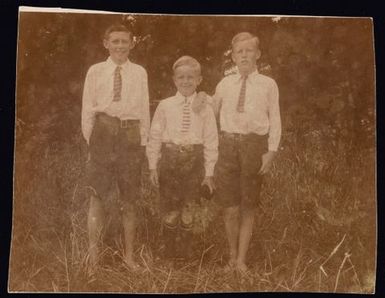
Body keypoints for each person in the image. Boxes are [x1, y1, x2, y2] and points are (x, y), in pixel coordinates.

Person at [201, 32, 281, 273]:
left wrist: (271, 151)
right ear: (233, 57)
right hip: (227, 147)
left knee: (248, 205)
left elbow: (275, 119)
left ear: (257, 54)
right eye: (239, 52)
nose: (244, 55)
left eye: (249, 51)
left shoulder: (268, 84)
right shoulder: (225, 84)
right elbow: (209, 114)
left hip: (254, 147)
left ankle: (241, 261)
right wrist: (200, 101)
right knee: (230, 206)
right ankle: (231, 256)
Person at [81, 24, 150, 272]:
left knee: (129, 200)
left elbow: (144, 110)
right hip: (102, 134)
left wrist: (143, 143)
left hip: (130, 137)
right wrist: (93, 142)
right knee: (96, 197)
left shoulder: (140, 72)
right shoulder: (96, 71)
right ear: (106, 43)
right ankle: (94, 260)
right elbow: (88, 109)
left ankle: (129, 258)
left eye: (125, 41)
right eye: (115, 41)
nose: (120, 45)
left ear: (132, 43)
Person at [146, 56, 218, 262]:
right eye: (181, 77)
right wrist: (153, 166)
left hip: (194, 162)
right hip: (170, 161)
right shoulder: (166, 106)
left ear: (199, 79)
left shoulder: (205, 107)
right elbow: (155, 136)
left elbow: (211, 140)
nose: (186, 81)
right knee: (171, 211)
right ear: (174, 80)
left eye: (191, 77)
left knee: (189, 211)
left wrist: (209, 173)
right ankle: (169, 253)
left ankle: (186, 255)